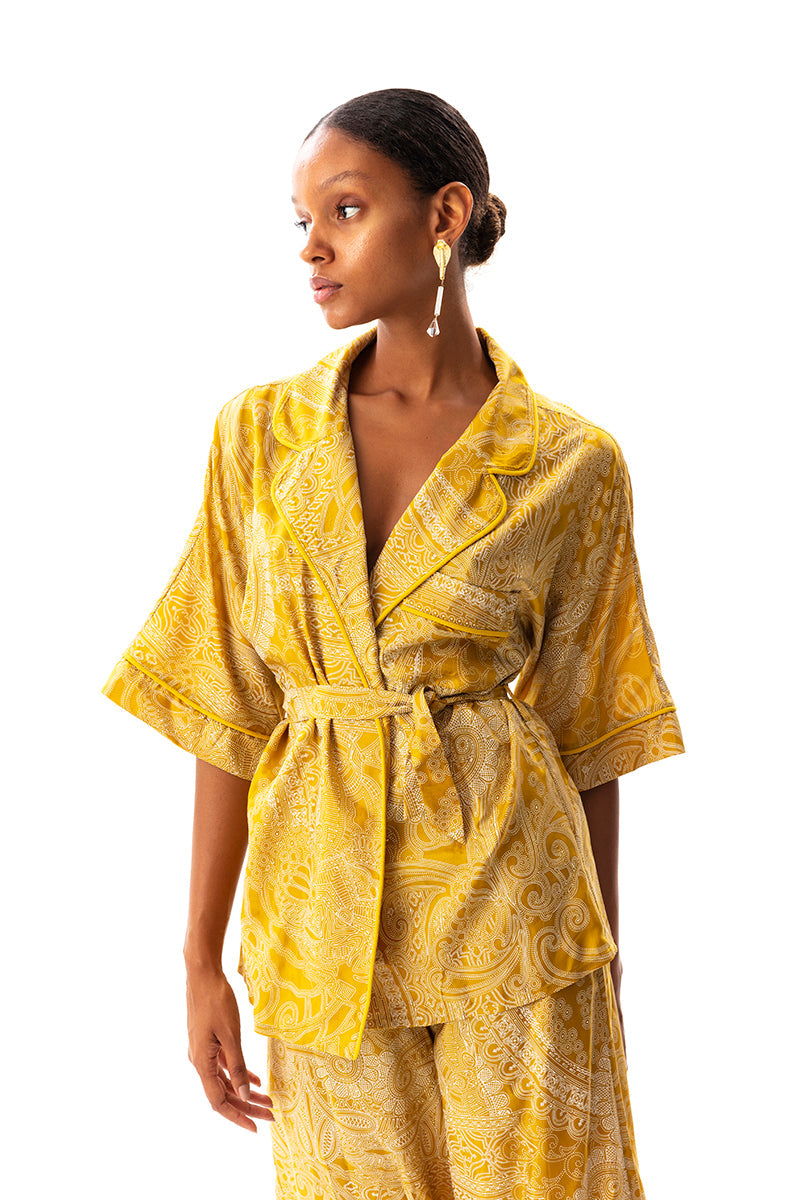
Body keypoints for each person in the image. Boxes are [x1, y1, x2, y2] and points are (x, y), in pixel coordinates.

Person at [102, 88, 685, 1199]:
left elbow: (592, 733)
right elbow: (227, 705)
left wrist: (602, 967)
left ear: (444, 215)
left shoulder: (570, 463)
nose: (311, 247)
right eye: (301, 220)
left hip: (513, 913)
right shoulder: (259, 436)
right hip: (319, 921)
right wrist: (197, 961)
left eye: (346, 209)